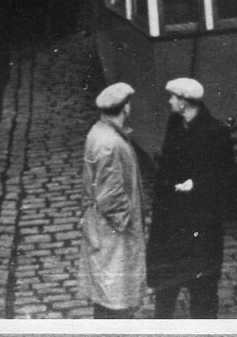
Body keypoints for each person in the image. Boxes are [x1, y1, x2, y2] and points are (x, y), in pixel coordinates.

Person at [146, 77, 235, 319]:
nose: (169, 102)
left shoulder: (216, 132)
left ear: (184, 102)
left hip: (201, 222)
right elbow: (166, 164)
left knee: (203, 288)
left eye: (173, 97)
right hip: (172, 221)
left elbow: (225, 174)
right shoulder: (174, 124)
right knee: (167, 283)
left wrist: (196, 184)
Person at [79, 82, 146, 319]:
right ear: (125, 107)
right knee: (115, 297)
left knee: (108, 295)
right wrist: (126, 226)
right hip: (113, 236)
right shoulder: (111, 143)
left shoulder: (100, 132)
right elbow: (111, 196)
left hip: (104, 230)